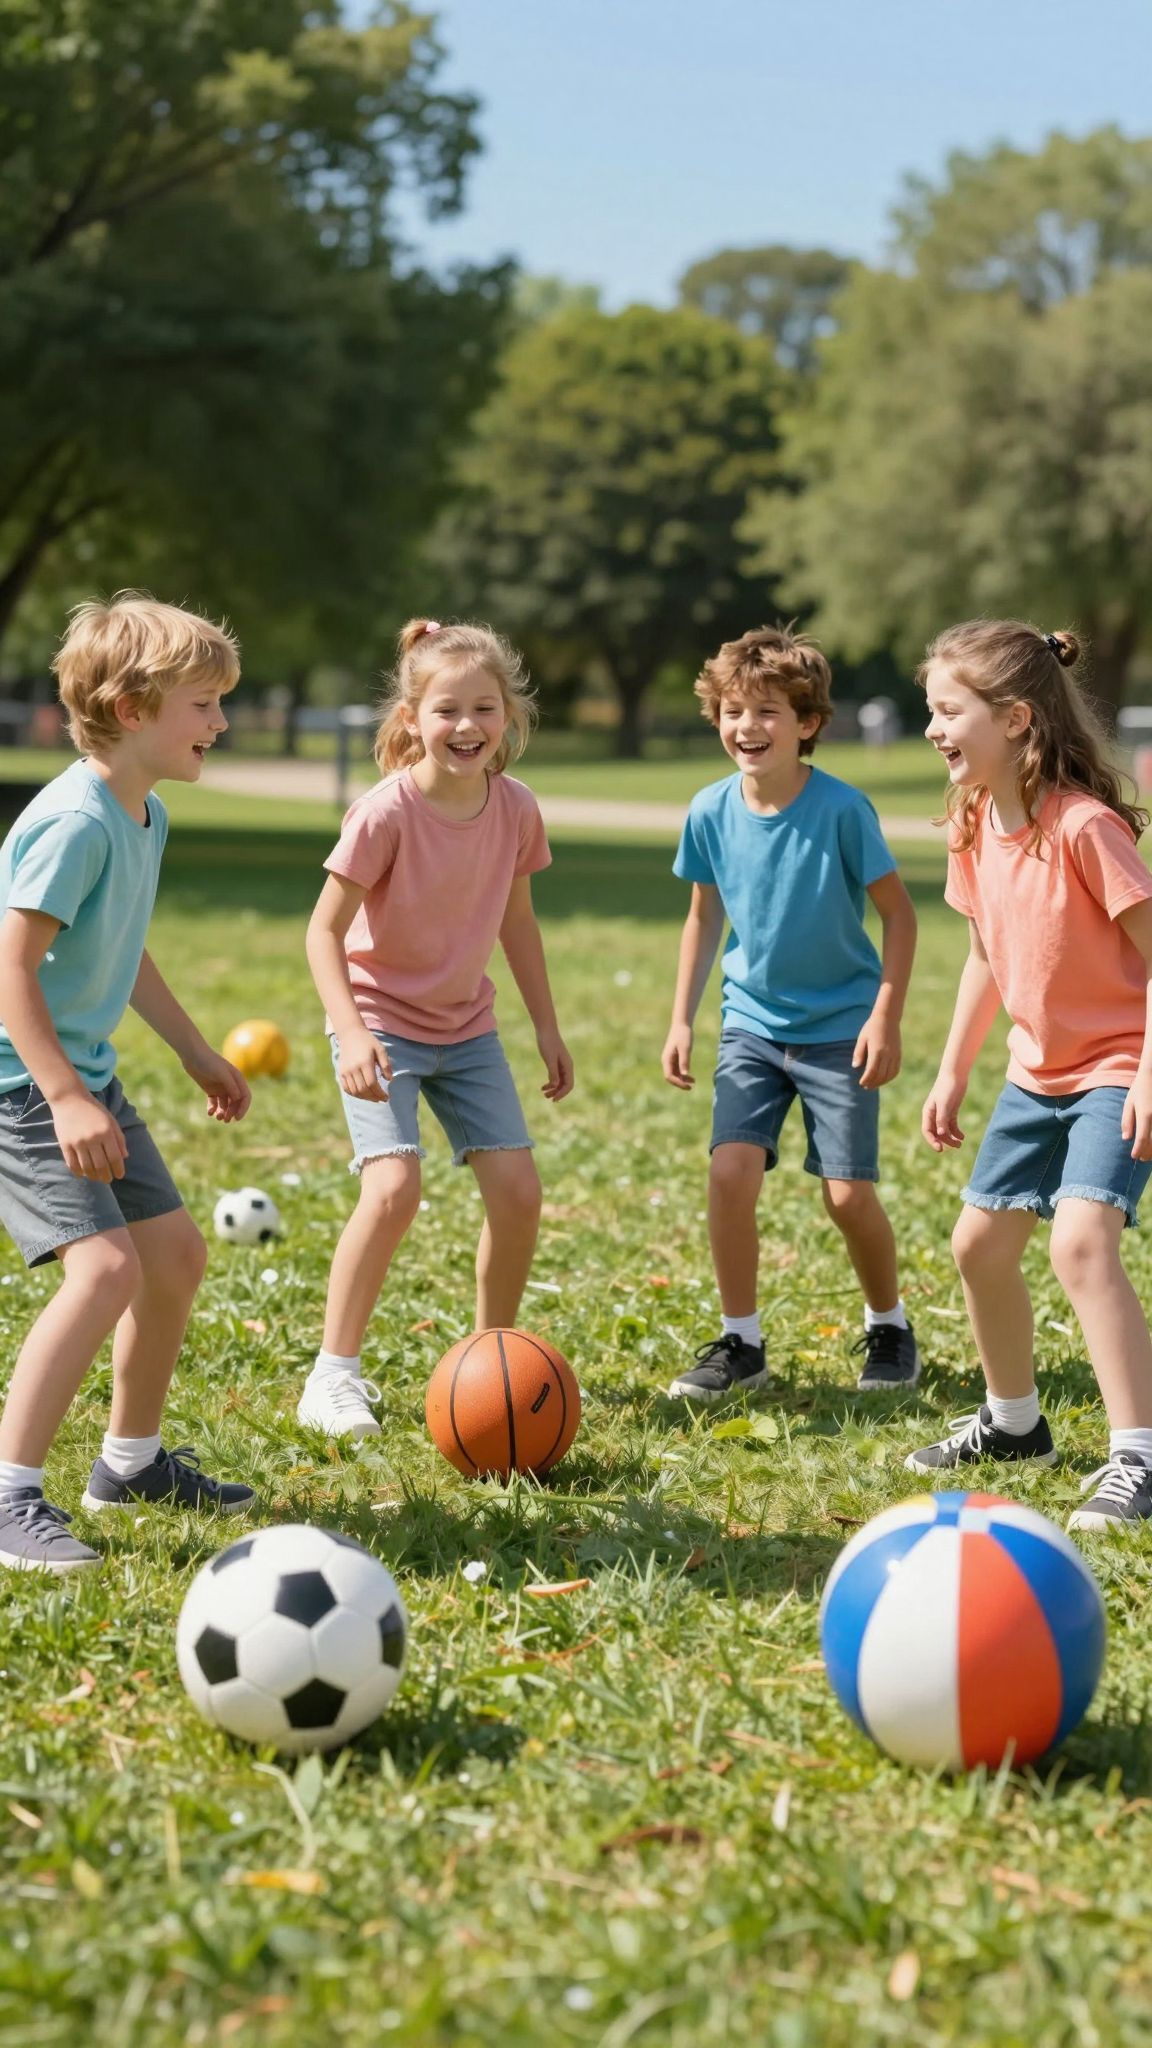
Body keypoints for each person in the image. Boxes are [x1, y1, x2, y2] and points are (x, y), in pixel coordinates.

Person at [0, 594, 254, 1573]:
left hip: (84, 1079)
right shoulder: (76, 822)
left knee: (174, 1257)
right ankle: (11, 1493)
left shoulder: (141, 813)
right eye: (205, 703)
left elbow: (125, 948)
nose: (221, 721)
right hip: (23, 1086)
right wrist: (66, 1097)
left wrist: (194, 1049)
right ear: (133, 707)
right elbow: (11, 968)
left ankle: (131, 1462)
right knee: (105, 1270)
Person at [298, 618, 573, 1439]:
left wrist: (547, 1027)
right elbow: (322, 932)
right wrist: (351, 1033)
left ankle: (490, 1359)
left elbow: (518, 922)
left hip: (468, 1028)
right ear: (412, 718)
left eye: (484, 708)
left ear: (508, 715)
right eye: (447, 710)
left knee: (519, 1193)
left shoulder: (516, 808)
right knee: (393, 1190)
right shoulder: (385, 812)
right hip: (381, 1022)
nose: (466, 726)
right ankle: (331, 1376)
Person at [912, 620, 1152, 1530]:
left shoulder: (1084, 828)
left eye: (949, 711)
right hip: (1035, 1075)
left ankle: (1139, 1458)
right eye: (931, 710)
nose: (933, 728)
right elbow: (986, 952)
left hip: (1118, 1066)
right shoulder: (973, 820)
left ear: (1015, 719)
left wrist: (1147, 1077)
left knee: (1080, 1245)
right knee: (978, 1246)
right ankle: (1015, 1426)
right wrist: (952, 1070)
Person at [662, 625, 919, 1400]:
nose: (748, 726)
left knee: (847, 1194)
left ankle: (890, 1326)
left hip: (841, 1028)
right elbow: (703, 916)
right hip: (752, 1024)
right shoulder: (709, 810)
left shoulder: (842, 809)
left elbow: (900, 916)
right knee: (729, 1173)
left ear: (807, 723)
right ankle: (741, 1343)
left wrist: (885, 1016)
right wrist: (682, 1019)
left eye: (768, 711)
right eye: (734, 710)